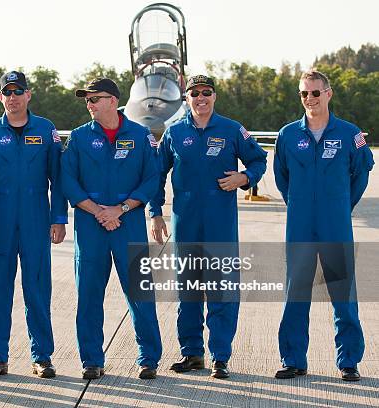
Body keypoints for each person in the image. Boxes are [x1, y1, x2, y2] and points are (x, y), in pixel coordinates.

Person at [149, 74, 267, 379]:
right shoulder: (174, 133)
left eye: (206, 92)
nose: (201, 98)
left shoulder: (231, 129)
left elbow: (258, 160)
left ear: (214, 96)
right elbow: (157, 174)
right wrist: (156, 213)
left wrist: (244, 178)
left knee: (222, 291)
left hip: (220, 225)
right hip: (185, 223)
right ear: (186, 98)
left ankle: (220, 357)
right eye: (195, 93)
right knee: (188, 291)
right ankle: (192, 354)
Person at [273, 70, 374, 382]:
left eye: (315, 93)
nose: (309, 99)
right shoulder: (287, 135)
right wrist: (300, 204)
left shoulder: (350, 133)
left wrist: (342, 206)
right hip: (300, 226)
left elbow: (362, 172)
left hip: (335, 226)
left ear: (328, 94)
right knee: (296, 293)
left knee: (343, 293)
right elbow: (281, 177)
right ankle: (293, 360)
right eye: (304, 93)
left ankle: (348, 361)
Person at [61, 77, 162, 380]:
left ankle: (148, 358)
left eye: (95, 98)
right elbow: (68, 180)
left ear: (113, 101)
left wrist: (121, 209)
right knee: (89, 295)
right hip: (90, 226)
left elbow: (151, 179)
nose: (89, 104)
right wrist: (99, 211)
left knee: (140, 295)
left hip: (128, 224)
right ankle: (91, 359)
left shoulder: (141, 136)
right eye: (87, 100)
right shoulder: (79, 138)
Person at [0, 71, 67, 379]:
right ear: (1, 97)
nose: (13, 97)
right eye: (7, 92)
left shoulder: (46, 129)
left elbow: (58, 178)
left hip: (36, 219)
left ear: (28, 95)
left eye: (18, 91)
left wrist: (58, 218)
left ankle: (42, 356)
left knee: (37, 288)